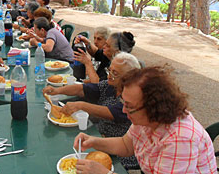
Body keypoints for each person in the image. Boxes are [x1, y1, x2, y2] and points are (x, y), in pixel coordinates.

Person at [73, 66, 217, 174]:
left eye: (129, 106)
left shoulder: (180, 139)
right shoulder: (146, 119)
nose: (124, 110)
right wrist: (94, 141)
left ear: (153, 107)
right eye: (124, 103)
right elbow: (126, 145)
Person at [43, 53, 141, 169]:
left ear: (129, 77)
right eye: (109, 70)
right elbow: (82, 89)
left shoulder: (132, 100)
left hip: (118, 154)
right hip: (101, 137)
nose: (109, 75)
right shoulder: (110, 85)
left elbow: (109, 112)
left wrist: (81, 105)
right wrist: (57, 90)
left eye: (115, 74)